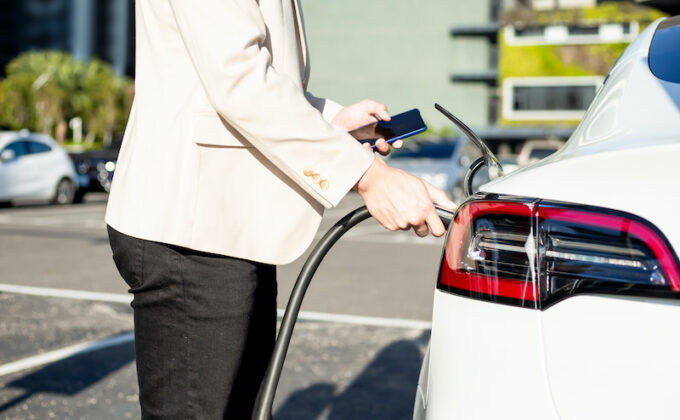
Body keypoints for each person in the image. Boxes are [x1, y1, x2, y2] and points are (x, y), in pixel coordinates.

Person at [106, 0, 456, 418]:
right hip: (192, 227)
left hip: (227, 222)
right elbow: (241, 82)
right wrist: (369, 175)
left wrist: (333, 120)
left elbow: (257, 81)